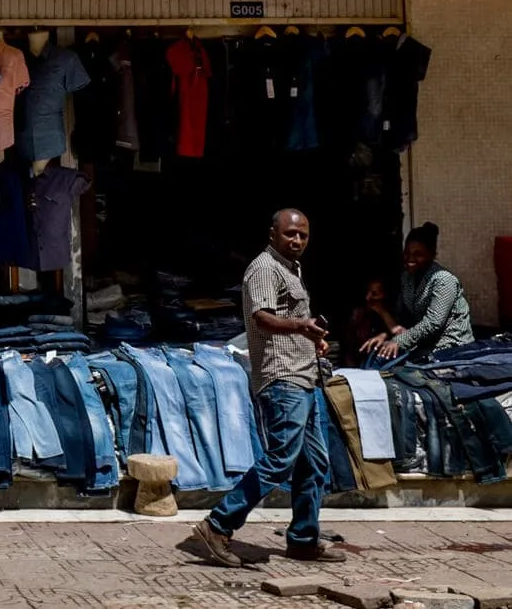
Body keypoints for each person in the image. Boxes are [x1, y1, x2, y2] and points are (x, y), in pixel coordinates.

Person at [185, 209, 345, 568]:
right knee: (280, 459)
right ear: (273, 234)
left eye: (303, 235)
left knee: (313, 464)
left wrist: (311, 339)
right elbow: (262, 317)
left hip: (304, 376)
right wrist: (301, 326)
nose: (297, 241)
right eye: (290, 234)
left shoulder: (292, 269)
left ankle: (303, 539)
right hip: (282, 378)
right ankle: (218, 525)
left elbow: (290, 322)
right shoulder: (263, 268)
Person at [360, 222, 474, 363]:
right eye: (407, 254)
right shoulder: (407, 277)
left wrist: (399, 341)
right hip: (421, 345)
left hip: (450, 347)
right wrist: (385, 335)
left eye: (418, 254)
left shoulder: (444, 280)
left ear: (432, 255)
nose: (410, 259)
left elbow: (433, 323)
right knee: (377, 358)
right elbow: (402, 319)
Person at [349, 277, 399, 360]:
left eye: (374, 294)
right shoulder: (360, 315)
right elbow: (349, 349)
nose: (368, 298)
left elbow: (398, 333)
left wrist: (382, 312)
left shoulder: (396, 314)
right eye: (367, 292)